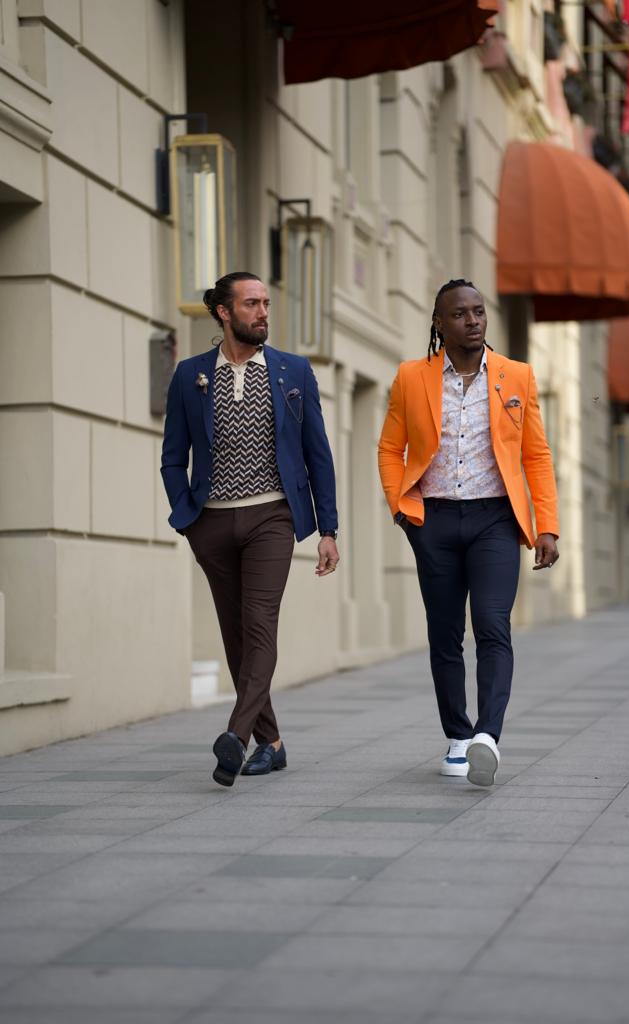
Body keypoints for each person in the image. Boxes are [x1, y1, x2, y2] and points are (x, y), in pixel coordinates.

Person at [378, 279, 559, 787]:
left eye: (479, 311)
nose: (473, 320)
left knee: (491, 622)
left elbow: (536, 456)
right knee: (444, 633)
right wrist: (401, 508)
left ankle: (487, 737)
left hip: (495, 520)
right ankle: (458, 736)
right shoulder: (412, 377)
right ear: (439, 323)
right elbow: (391, 448)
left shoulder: (516, 376)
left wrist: (548, 525)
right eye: (459, 314)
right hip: (432, 519)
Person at [161, 272, 339, 787]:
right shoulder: (190, 376)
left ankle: (236, 737)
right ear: (224, 312)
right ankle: (274, 743)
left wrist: (328, 528)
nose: (263, 312)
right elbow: (174, 457)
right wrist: (186, 515)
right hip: (210, 522)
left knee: (259, 623)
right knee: (235, 634)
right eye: (252, 304)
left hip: (272, 515)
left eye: (266, 303)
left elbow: (317, 455)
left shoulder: (292, 372)